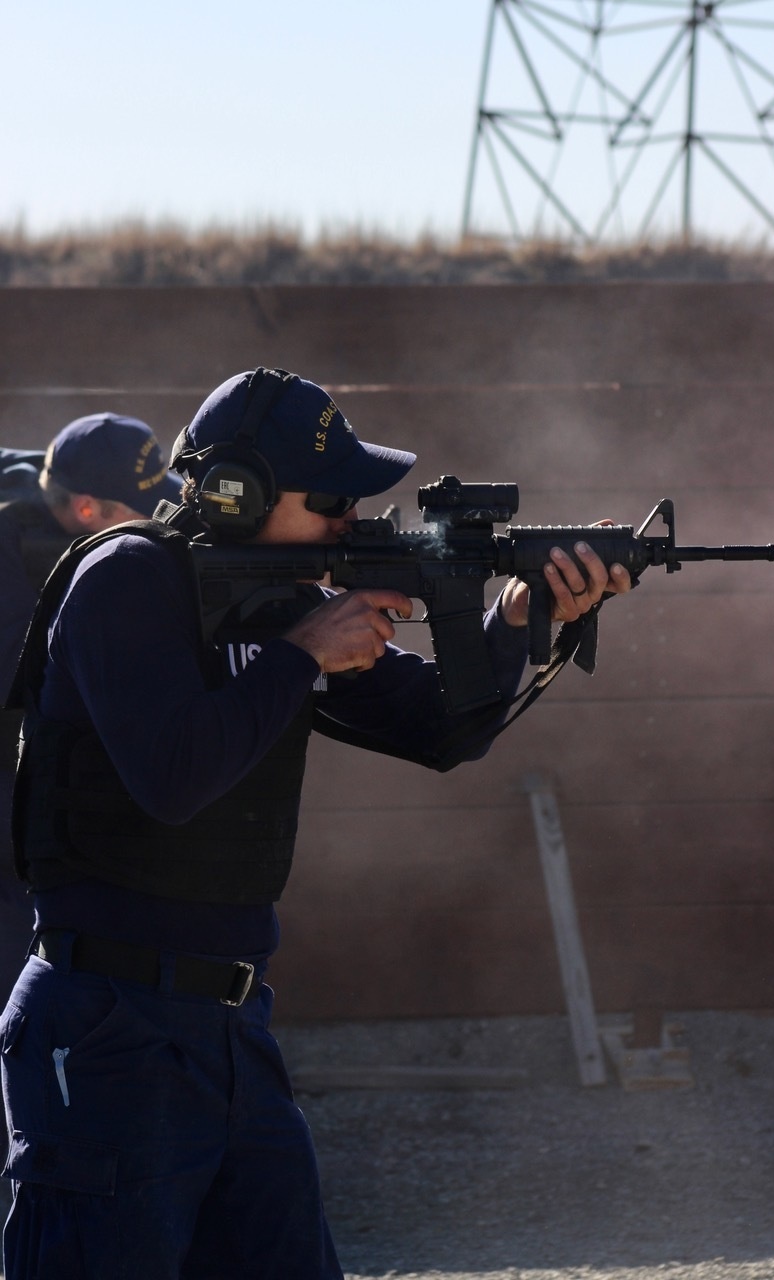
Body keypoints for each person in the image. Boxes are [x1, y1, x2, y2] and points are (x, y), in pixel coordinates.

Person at [0, 367, 631, 1279]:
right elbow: (173, 777)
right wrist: (301, 656)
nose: (349, 518)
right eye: (329, 496)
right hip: (106, 1026)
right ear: (237, 492)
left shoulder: (281, 600)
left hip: (231, 1022)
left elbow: (438, 730)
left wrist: (523, 620)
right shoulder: (125, 577)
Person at [0, 414, 183, 1006]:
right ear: (86, 510)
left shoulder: (56, 506)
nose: (162, 523)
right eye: (144, 508)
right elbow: (31, 683)